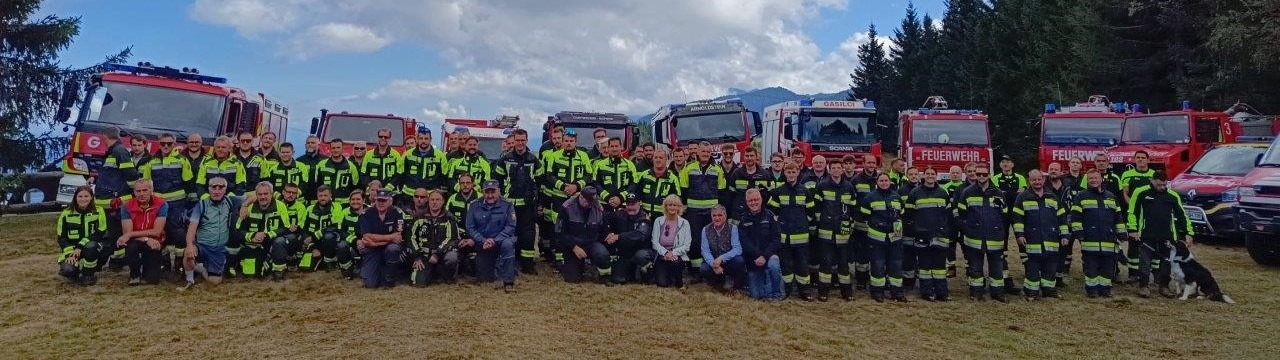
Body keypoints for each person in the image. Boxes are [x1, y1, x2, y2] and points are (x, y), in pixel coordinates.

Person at [1127, 172, 1193, 297]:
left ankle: (1163, 286)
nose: (1162, 187)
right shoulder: (1141, 192)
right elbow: (1132, 211)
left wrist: (1188, 233)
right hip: (1146, 235)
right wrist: (1132, 229)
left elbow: (1182, 215)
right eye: (1159, 185)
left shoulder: (1172, 195)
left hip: (1167, 236)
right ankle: (1143, 286)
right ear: (1152, 181)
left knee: (1166, 263)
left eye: (1164, 185)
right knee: (1145, 263)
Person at [140, 133, 194, 277]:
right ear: (159, 143)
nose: (165, 146)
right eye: (163, 143)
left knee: (178, 234)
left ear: (174, 144)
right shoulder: (151, 162)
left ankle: (178, 265)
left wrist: (186, 204)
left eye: (169, 144)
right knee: (160, 233)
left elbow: (189, 183)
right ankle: (162, 264)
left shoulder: (182, 160)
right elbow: (146, 184)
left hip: (177, 204)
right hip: (158, 205)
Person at [538, 129, 593, 265]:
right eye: (566, 141)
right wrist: (563, 187)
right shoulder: (554, 156)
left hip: (577, 198)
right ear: (562, 141)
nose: (568, 144)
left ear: (576, 142)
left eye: (571, 141)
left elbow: (589, 175)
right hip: (558, 198)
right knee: (559, 227)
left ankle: (576, 256)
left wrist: (576, 186)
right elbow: (549, 176)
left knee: (576, 226)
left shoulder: (584, 156)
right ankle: (559, 259)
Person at [1012, 170, 1069, 300]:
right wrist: (1020, 234)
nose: (1037, 182)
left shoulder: (1052, 196)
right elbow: (1017, 218)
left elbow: (1062, 217)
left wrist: (1065, 235)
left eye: (1039, 179)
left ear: (1043, 180)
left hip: (1051, 238)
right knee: (1032, 267)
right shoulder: (1022, 197)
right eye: (1033, 180)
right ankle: (1031, 292)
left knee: (1050, 266)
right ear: (1029, 181)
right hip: (1032, 239)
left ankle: (1049, 290)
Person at [956, 165, 1009, 302]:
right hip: (974, 238)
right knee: (975, 268)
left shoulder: (998, 193)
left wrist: (998, 230)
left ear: (989, 175)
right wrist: (967, 228)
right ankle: (976, 292)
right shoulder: (967, 192)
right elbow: (961, 213)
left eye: (984, 174)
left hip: (994, 238)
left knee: (997, 268)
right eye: (978, 174)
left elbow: (1004, 215)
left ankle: (997, 293)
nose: (980, 177)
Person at [1071, 169, 1127, 298]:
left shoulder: (1111, 196)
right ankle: (1092, 290)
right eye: (1091, 178)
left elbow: (1118, 216)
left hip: (1108, 239)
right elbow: (1075, 217)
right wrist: (1079, 233)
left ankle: (1105, 289)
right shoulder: (1081, 196)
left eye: (1096, 178)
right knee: (1091, 266)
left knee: (1108, 266)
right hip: (1090, 239)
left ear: (1101, 179)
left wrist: (1122, 233)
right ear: (1087, 180)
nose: (1093, 180)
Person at [494, 128, 540, 274]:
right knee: (507, 234)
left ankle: (527, 265)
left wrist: (538, 202)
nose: (520, 143)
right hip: (509, 205)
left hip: (527, 205)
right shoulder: (505, 159)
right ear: (513, 142)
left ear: (526, 141)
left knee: (527, 236)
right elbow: (497, 181)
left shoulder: (534, 160)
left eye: (523, 140)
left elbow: (540, 182)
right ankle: (508, 262)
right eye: (517, 141)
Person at [680, 141, 727, 279]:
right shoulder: (688, 168)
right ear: (697, 152)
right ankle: (696, 271)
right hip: (693, 212)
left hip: (711, 213)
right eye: (703, 151)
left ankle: (713, 269)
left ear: (710, 153)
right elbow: (683, 190)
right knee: (695, 240)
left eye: (708, 151)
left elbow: (722, 192)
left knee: (713, 240)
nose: (705, 154)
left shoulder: (717, 169)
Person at [770, 162, 817, 300]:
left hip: (801, 236)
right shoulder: (779, 191)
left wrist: (802, 223)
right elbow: (773, 211)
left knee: (802, 264)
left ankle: (804, 292)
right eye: (788, 172)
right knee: (786, 265)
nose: (791, 175)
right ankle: (787, 290)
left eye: (793, 172)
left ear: (798, 172)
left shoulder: (805, 191)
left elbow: (811, 212)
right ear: (785, 173)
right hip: (784, 236)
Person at [181, 177, 239, 288]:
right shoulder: (201, 205)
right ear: (209, 189)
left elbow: (252, 196)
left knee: (215, 282)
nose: (217, 190)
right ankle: (190, 280)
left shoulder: (230, 201)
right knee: (188, 254)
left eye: (220, 187)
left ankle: (201, 269)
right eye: (213, 187)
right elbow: (191, 228)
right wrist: (189, 246)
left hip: (218, 250)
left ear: (225, 189)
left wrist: (245, 205)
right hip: (202, 246)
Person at [904, 167, 952, 301]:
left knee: (939, 267)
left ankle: (942, 293)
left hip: (940, 236)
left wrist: (945, 230)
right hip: (921, 236)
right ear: (923, 176)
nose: (930, 176)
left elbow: (948, 216)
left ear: (936, 176)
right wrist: (916, 229)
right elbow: (908, 216)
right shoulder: (915, 193)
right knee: (924, 267)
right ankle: (926, 292)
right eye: (927, 174)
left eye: (933, 174)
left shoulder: (943, 193)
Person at [813, 158, 855, 300]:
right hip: (826, 233)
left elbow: (853, 208)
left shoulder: (849, 187)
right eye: (834, 168)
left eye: (839, 167)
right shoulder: (822, 186)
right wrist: (822, 222)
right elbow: (817, 209)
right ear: (829, 170)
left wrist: (850, 224)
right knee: (826, 264)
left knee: (843, 265)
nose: (836, 170)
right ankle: (823, 293)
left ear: (842, 169)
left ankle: (847, 293)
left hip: (843, 233)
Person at [467, 180, 518, 292]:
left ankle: (508, 281)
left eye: (493, 192)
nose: (490, 195)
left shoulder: (508, 205)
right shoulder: (474, 205)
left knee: (508, 244)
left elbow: (510, 226)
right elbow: (470, 227)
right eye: (487, 192)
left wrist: (495, 240)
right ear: (482, 192)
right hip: (483, 243)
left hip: (501, 240)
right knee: (484, 279)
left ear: (499, 191)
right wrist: (483, 240)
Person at [860, 173, 905, 302]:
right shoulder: (870, 197)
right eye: (881, 180)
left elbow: (902, 214)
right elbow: (864, 216)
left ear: (890, 182)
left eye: (886, 180)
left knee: (896, 266)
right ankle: (877, 292)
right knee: (878, 265)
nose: (884, 183)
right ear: (877, 182)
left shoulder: (896, 197)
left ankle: (896, 292)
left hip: (895, 238)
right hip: (877, 239)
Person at [410, 190, 469, 286]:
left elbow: (451, 239)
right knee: (418, 283)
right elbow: (412, 237)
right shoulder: (419, 217)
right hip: (425, 256)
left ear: (443, 202)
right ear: (428, 201)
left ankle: (449, 276)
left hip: (442, 254)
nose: (434, 202)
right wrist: (417, 257)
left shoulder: (449, 218)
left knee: (452, 258)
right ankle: (428, 273)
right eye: (432, 199)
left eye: (438, 199)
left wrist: (437, 254)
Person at [117, 179, 168, 285]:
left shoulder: (162, 204)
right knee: (131, 246)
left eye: (145, 190)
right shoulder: (126, 206)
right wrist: (146, 239)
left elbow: (157, 231)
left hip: (154, 241)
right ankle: (134, 274)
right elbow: (127, 233)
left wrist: (131, 234)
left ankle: (150, 269)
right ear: (134, 192)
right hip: (136, 241)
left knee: (152, 280)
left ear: (151, 190)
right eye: (138, 191)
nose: (141, 194)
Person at [557, 185, 612, 284]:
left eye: (592, 201)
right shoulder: (567, 207)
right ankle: (577, 266)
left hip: (591, 243)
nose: (590, 204)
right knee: (572, 279)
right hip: (573, 245)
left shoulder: (598, 208)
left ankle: (605, 276)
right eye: (588, 201)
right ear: (581, 197)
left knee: (602, 254)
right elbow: (560, 233)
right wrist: (574, 247)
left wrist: (609, 235)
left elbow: (604, 230)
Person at [57, 186, 109, 285]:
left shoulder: (99, 211)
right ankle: (76, 271)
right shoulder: (66, 213)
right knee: (68, 270)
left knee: (91, 247)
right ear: (75, 198)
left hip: (92, 246)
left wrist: (80, 246)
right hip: (72, 250)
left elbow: (100, 231)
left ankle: (89, 274)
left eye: (86, 196)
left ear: (91, 197)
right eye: (80, 196)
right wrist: (70, 254)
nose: (83, 199)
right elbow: (61, 237)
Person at [739, 188, 784, 301]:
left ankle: (777, 294)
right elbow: (744, 242)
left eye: (756, 199)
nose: (753, 203)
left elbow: (776, 239)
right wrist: (758, 255)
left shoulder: (770, 216)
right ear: (746, 202)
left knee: (774, 265)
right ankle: (766, 289)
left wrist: (764, 256)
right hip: (753, 260)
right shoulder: (743, 219)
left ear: (761, 199)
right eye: (750, 201)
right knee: (756, 295)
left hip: (769, 256)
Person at [237, 182, 289, 280]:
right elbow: (239, 230)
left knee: (280, 242)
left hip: (272, 241)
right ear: (256, 195)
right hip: (255, 244)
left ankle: (278, 272)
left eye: (266, 194)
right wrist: (253, 236)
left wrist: (267, 235)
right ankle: (263, 265)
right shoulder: (248, 207)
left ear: (272, 194)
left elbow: (285, 228)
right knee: (251, 275)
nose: (263, 197)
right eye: (260, 194)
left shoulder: (280, 206)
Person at [355, 189, 405, 288]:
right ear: (375, 200)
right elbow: (367, 236)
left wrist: (375, 242)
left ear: (390, 201)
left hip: (387, 249)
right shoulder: (366, 214)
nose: (381, 203)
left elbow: (398, 237)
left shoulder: (397, 213)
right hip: (372, 250)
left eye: (384, 200)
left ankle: (389, 280)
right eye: (379, 200)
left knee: (393, 249)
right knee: (370, 285)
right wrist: (390, 238)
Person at [992, 154, 1026, 295]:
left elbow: (1021, 195)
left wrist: (1007, 194)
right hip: (1002, 216)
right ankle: (1004, 276)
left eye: (1008, 161)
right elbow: (997, 197)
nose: (1005, 164)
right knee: (1002, 245)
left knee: (1023, 242)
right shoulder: (995, 178)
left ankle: (1030, 272)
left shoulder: (1020, 178)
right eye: (1003, 162)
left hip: (1018, 215)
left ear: (1012, 165)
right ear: (1000, 165)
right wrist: (1011, 194)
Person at [1120, 150, 1156, 282]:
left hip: (1149, 214)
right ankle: (1133, 273)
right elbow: (1125, 193)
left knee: (1150, 241)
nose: (1140, 160)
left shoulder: (1153, 174)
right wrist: (1134, 206)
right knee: (1134, 242)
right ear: (1134, 160)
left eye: (1143, 158)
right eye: (1138, 158)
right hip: (1134, 214)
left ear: (1148, 160)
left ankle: (1152, 274)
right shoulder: (1128, 174)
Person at [603, 194, 654, 284]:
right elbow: (605, 218)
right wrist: (609, 232)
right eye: (628, 204)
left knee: (640, 255)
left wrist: (618, 236)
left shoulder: (644, 217)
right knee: (618, 280)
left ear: (639, 204)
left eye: (633, 204)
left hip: (640, 253)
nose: (630, 207)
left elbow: (640, 235)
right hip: (625, 254)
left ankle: (646, 274)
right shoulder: (620, 214)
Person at [849, 154, 880, 289]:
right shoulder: (856, 180)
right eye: (869, 162)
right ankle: (861, 281)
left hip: (878, 223)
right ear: (863, 163)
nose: (871, 165)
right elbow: (852, 202)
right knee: (862, 254)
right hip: (860, 223)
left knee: (877, 253)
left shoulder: (881, 179)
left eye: (873, 163)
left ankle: (875, 279)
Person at [699, 205, 746, 292]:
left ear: (725, 216)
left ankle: (737, 288)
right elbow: (705, 251)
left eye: (720, 215)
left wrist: (721, 258)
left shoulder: (733, 228)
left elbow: (737, 249)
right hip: (714, 262)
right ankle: (717, 283)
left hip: (728, 261)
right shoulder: (705, 229)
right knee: (703, 269)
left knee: (739, 261)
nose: (717, 218)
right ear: (711, 216)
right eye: (714, 215)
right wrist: (713, 264)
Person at [651, 195, 691, 289]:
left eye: (674, 205)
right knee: (662, 284)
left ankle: (679, 283)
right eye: (669, 205)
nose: (672, 207)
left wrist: (672, 253)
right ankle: (668, 276)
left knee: (675, 262)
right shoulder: (658, 221)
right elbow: (654, 242)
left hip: (677, 256)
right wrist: (665, 253)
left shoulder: (685, 223)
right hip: (662, 255)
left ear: (679, 207)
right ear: (665, 207)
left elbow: (687, 246)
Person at [398, 129, 450, 201]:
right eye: (421, 138)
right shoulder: (408, 154)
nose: (423, 141)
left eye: (426, 138)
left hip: (430, 197)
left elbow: (444, 177)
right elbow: (400, 174)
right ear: (417, 139)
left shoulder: (440, 156)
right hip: (409, 196)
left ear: (430, 139)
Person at [304, 185, 345, 271]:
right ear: (317, 196)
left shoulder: (336, 207)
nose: (323, 198)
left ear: (330, 196)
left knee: (329, 236)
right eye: (320, 196)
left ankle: (330, 261)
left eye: (325, 195)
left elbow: (336, 226)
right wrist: (313, 248)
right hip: (314, 242)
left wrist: (318, 234)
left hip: (330, 240)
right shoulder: (309, 209)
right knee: (305, 268)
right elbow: (304, 229)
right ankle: (318, 256)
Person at [631, 148, 681, 219]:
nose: (658, 160)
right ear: (653, 159)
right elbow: (636, 194)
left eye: (661, 158)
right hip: (644, 216)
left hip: (664, 217)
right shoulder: (644, 175)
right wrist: (641, 212)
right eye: (656, 157)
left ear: (666, 160)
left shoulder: (673, 178)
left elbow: (677, 199)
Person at [591, 137, 637, 208]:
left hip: (624, 205)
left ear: (621, 147)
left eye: (616, 146)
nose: (614, 149)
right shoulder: (600, 164)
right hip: (604, 204)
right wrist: (607, 197)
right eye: (612, 146)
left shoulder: (629, 164)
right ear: (608, 148)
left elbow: (634, 184)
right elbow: (596, 183)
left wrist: (620, 197)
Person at [727, 147, 772, 219]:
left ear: (756, 157)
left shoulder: (764, 175)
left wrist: (762, 208)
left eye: (752, 156)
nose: (749, 158)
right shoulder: (736, 174)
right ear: (743, 157)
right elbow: (730, 196)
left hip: (759, 215)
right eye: (747, 156)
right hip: (740, 215)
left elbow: (769, 195)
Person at [313, 138, 360, 205]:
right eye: (333, 148)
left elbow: (356, 187)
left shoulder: (351, 166)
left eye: (338, 147)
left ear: (342, 149)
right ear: (330, 149)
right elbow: (316, 185)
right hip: (326, 204)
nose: (335, 150)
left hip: (344, 205)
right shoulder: (321, 165)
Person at [335, 190, 368, 279]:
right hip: (351, 243)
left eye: (358, 199)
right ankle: (347, 270)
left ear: (364, 200)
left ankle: (362, 266)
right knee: (341, 246)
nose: (355, 201)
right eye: (353, 199)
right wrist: (355, 241)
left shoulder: (370, 211)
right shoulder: (344, 212)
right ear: (349, 201)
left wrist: (364, 241)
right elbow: (341, 231)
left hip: (368, 244)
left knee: (364, 274)